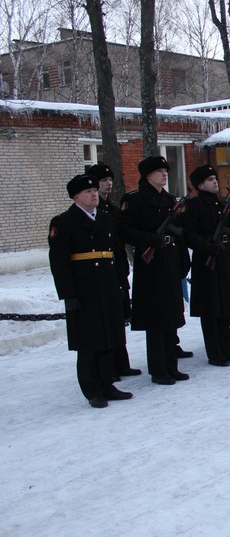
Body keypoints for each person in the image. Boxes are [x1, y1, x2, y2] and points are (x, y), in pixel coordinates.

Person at [49, 174, 133, 408]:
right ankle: (92, 389)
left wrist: (120, 284)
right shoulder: (63, 222)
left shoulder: (105, 218)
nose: (94, 194)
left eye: (95, 190)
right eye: (88, 192)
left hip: (107, 285)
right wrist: (69, 295)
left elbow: (115, 253)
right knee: (89, 343)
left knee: (109, 339)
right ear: (75, 197)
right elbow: (59, 263)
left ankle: (108, 383)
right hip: (84, 288)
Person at [117, 155, 191, 385]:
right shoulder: (135, 200)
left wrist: (183, 261)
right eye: (159, 171)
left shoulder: (170, 200)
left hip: (169, 259)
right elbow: (124, 230)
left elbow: (179, 232)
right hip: (150, 264)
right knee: (156, 319)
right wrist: (149, 239)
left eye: (166, 170)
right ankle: (158, 370)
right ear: (148, 175)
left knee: (171, 315)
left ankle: (172, 365)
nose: (164, 174)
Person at [179, 165, 230, 367]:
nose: (215, 181)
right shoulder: (195, 205)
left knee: (225, 307)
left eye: (215, 178)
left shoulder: (221, 203)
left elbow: (229, 229)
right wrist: (207, 247)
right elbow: (188, 233)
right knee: (211, 309)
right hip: (207, 262)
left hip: (223, 259)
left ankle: (226, 347)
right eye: (209, 180)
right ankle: (215, 352)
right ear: (199, 185)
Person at [86, 162, 140, 379]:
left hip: (117, 268)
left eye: (109, 180)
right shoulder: (93, 211)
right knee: (108, 320)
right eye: (102, 181)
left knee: (119, 317)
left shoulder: (111, 209)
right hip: (102, 272)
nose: (108, 184)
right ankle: (110, 367)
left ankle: (121, 362)